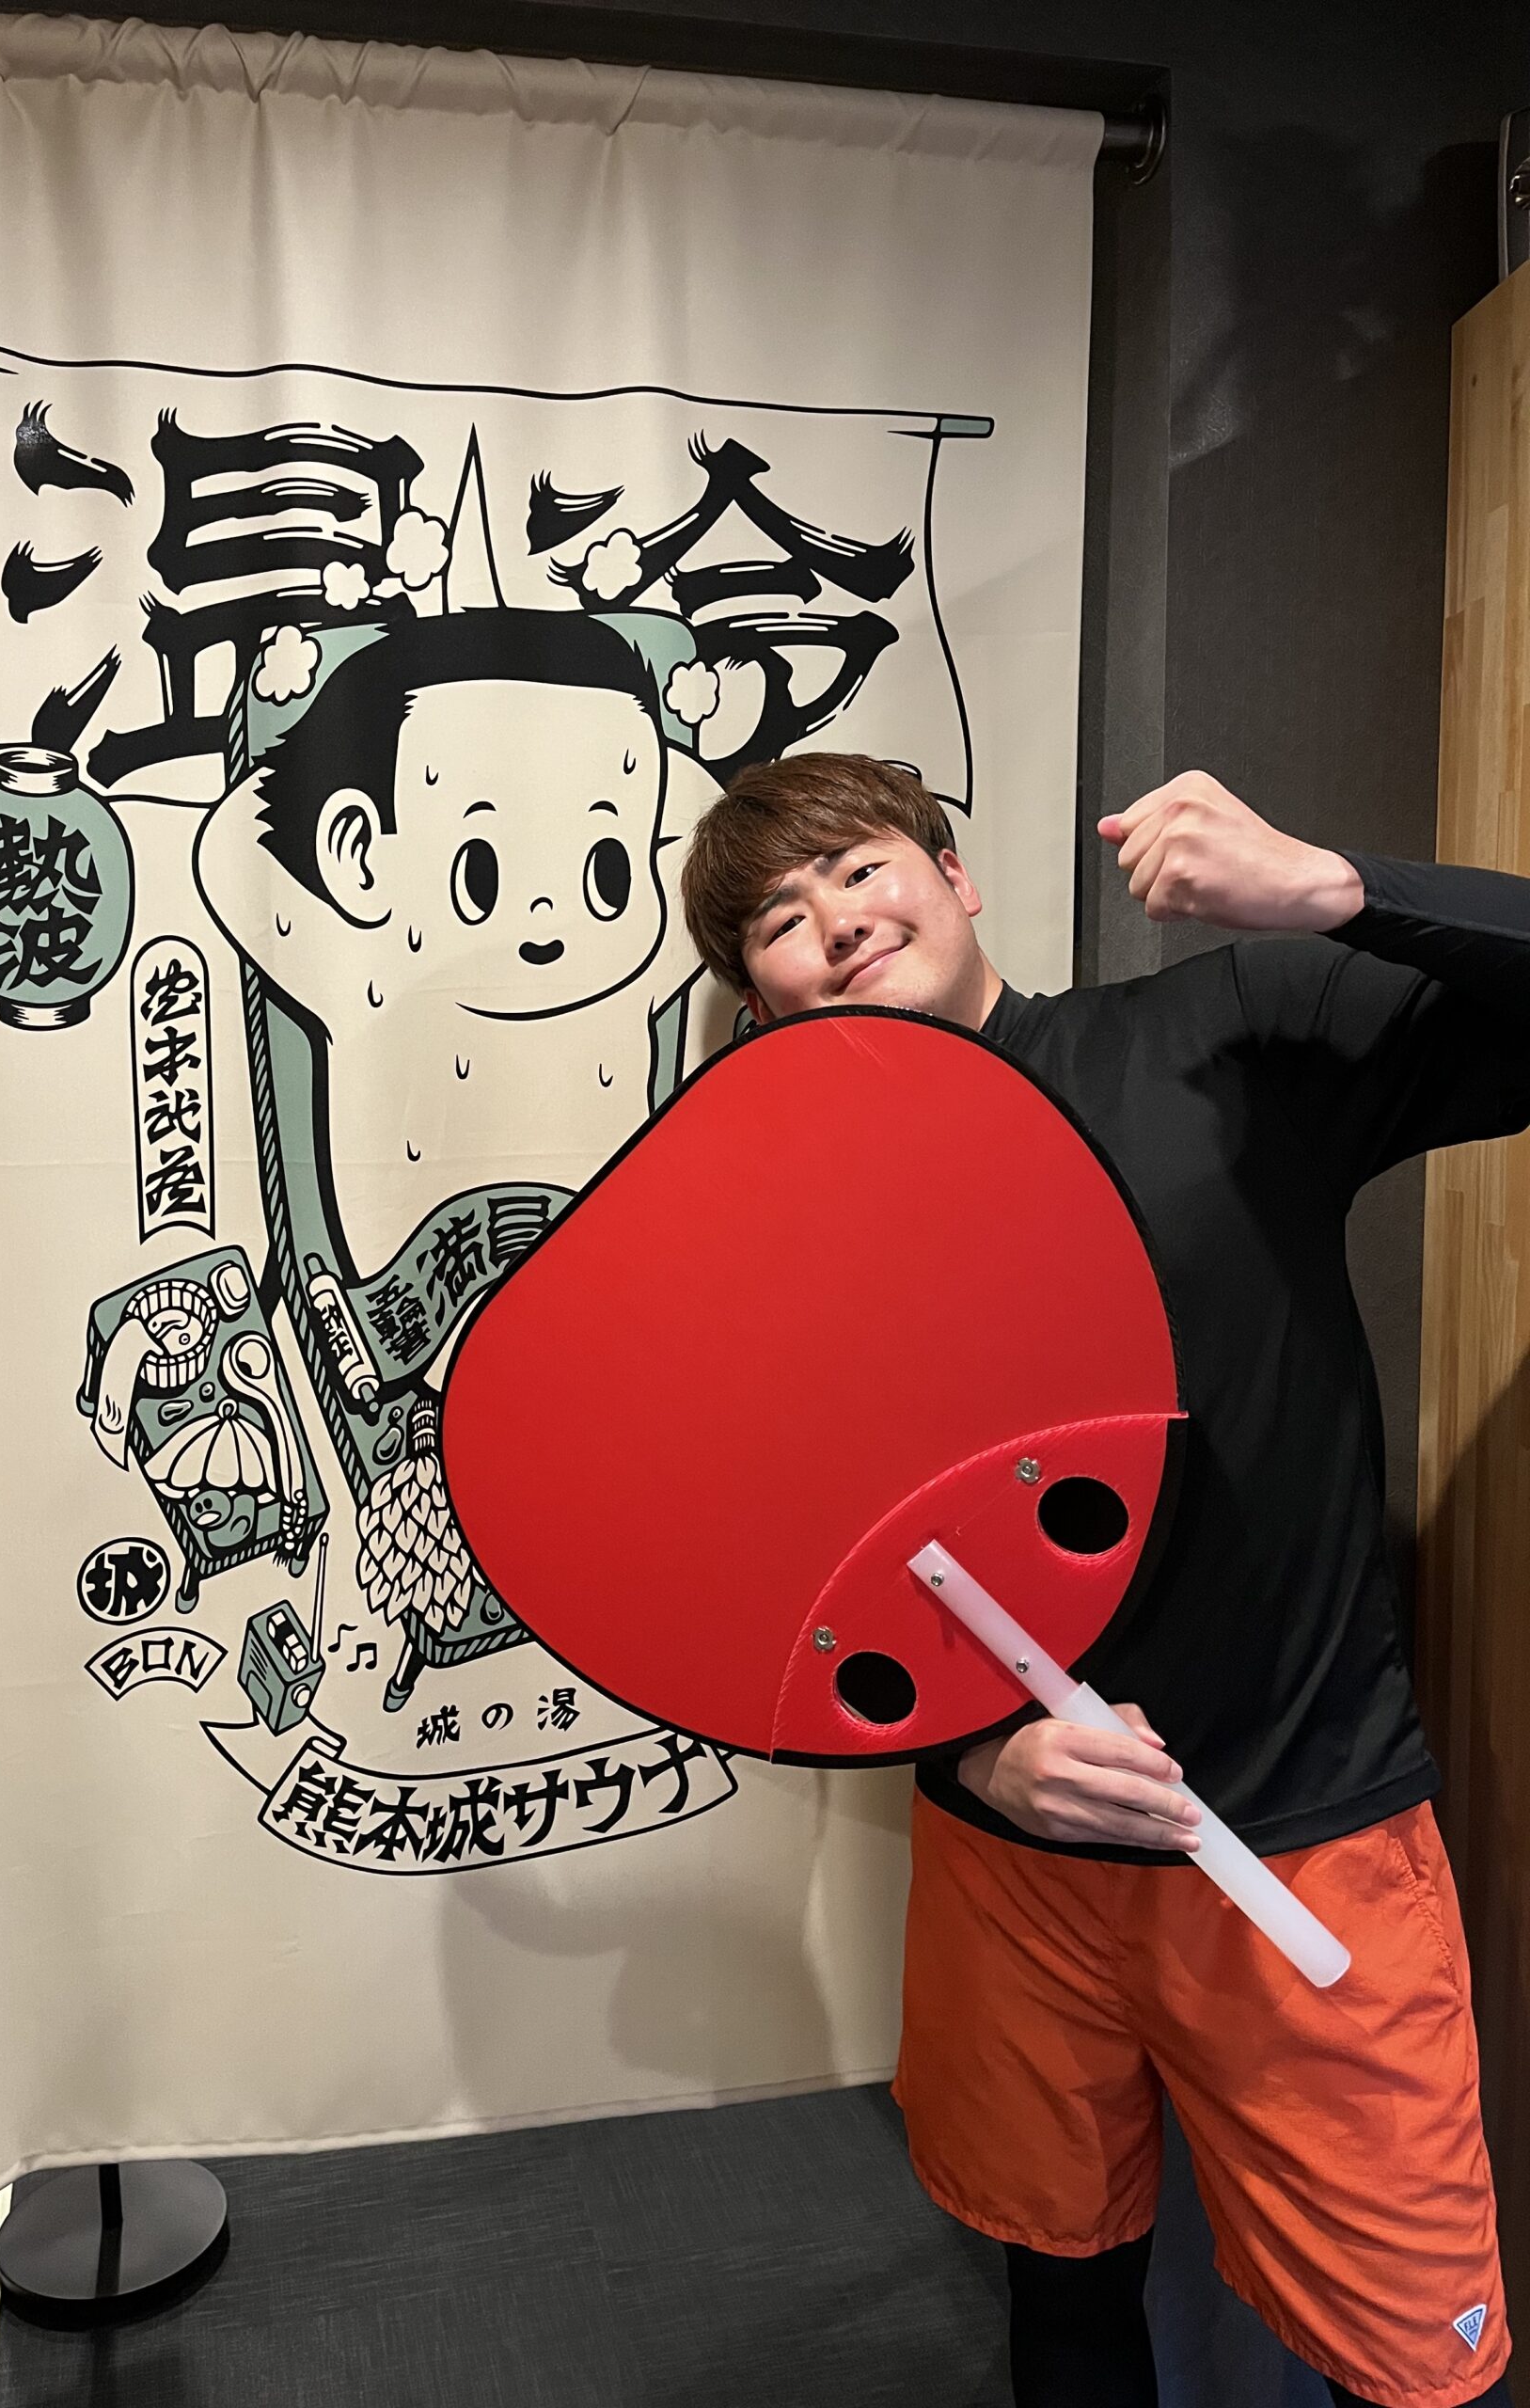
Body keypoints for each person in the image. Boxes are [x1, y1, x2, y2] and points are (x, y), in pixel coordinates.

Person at [679, 753, 1522, 2408]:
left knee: (1418, 2366)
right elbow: (790, 1557)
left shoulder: (1216, 1036)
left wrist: (1338, 888)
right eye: (778, 920)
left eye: (858, 868)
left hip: (1304, 1830)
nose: (833, 923)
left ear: (955, 876)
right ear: (761, 1000)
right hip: (1013, 1861)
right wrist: (972, 1752)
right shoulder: (787, 1228)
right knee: (1061, 2292)